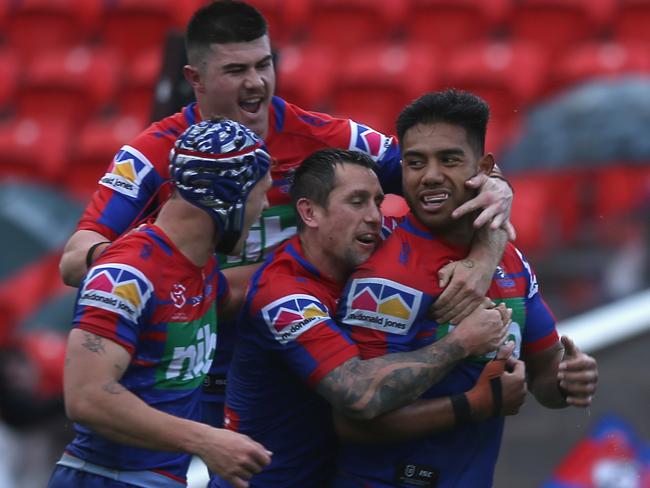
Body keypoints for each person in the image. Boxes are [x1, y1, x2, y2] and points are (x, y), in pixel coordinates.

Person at [58, 0, 512, 432]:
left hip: (307, 356)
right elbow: (75, 260)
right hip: (194, 368)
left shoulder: (325, 137)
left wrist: (489, 240)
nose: (255, 82)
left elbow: (450, 182)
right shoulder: (155, 152)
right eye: (236, 70)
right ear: (195, 79)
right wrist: (171, 269)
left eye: (263, 64)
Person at [332, 89, 599, 487]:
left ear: (484, 167)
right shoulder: (385, 277)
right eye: (415, 162)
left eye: (450, 159)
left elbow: (545, 373)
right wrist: (472, 406)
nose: (430, 175)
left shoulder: (510, 262)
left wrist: (567, 379)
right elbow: (354, 422)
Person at [218, 148, 524, 487]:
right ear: (309, 212)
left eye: (378, 201)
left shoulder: (375, 243)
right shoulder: (283, 296)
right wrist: (462, 346)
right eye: (357, 201)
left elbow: (474, 210)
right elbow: (358, 396)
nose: (375, 217)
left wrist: (486, 247)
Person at [47, 119, 274, 488]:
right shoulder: (127, 274)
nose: (264, 207)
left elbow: (237, 293)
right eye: (259, 194)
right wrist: (206, 439)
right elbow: (86, 397)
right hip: (105, 478)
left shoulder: (196, 268)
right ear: (228, 196)